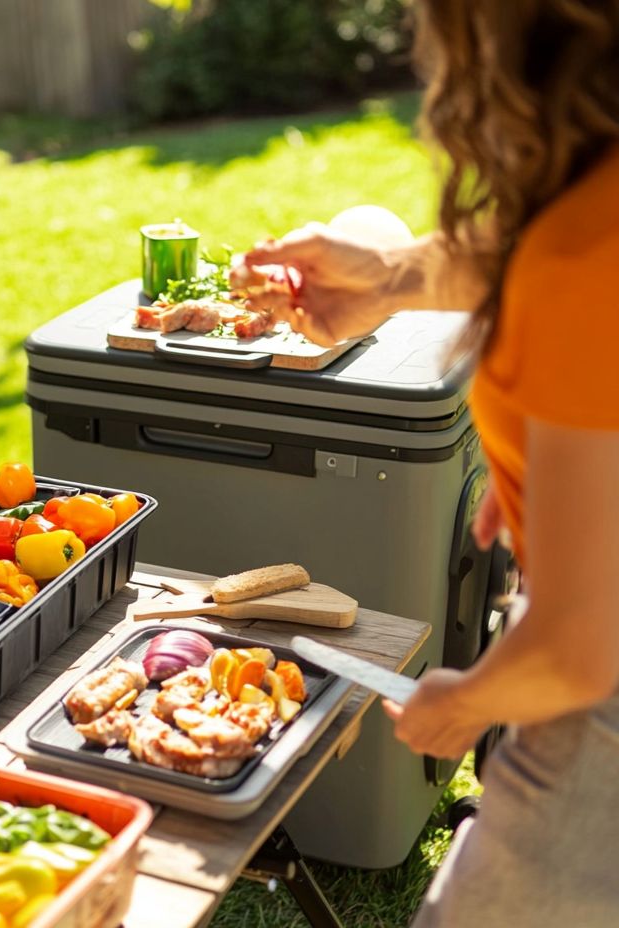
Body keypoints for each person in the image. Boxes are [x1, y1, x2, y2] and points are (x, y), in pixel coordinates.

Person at [239, 1, 619, 924]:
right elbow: (533, 271)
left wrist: (467, 700)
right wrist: (396, 276)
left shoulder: (587, 251)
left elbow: (576, 650)